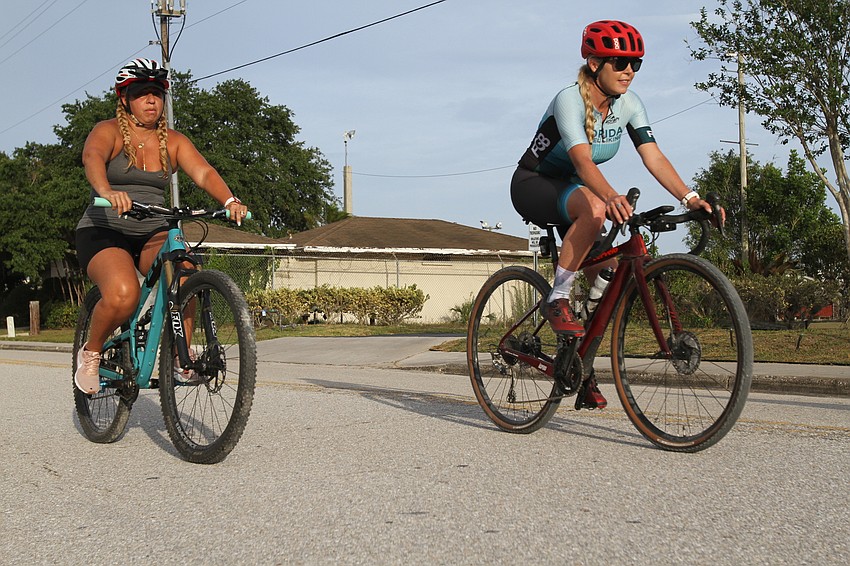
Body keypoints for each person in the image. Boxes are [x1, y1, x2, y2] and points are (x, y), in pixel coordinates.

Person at [511, 20, 721, 409]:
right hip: (535, 183)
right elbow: (582, 160)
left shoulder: (630, 104)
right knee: (595, 208)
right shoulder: (569, 99)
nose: (629, 71)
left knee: (603, 283)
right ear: (593, 63)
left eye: (635, 63)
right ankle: (556, 297)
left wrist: (690, 197)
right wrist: (609, 196)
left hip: (576, 187)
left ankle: (579, 366)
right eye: (619, 61)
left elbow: (652, 155)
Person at [74, 58, 249, 394]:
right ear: (125, 98)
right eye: (142, 93)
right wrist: (107, 191)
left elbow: (204, 173)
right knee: (124, 294)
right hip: (105, 228)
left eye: (156, 93)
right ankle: (92, 351)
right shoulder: (107, 131)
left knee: (186, 272)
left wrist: (229, 201)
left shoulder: (173, 140)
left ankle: (181, 358)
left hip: (152, 227)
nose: (151, 100)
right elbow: (92, 158)